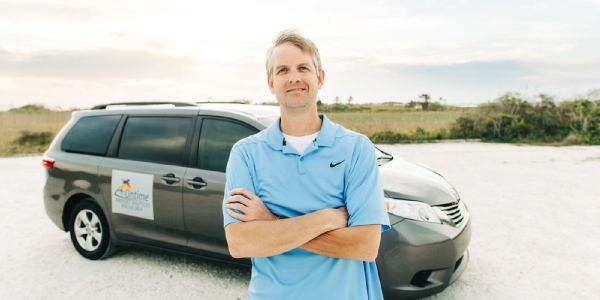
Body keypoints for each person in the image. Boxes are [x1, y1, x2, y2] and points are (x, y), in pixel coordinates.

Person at [222, 28, 390, 300]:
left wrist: (271, 223)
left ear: (320, 78)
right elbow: (241, 242)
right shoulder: (246, 154)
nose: (294, 78)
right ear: (270, 83)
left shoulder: (357, 149)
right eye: (283, 70)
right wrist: (327, 218)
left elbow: (365, 245)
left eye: (303, 67)